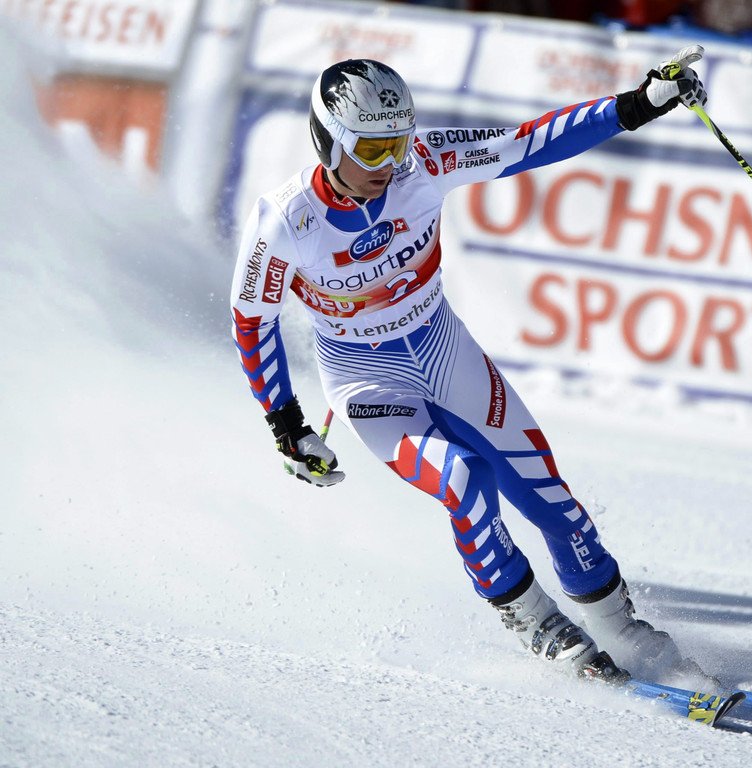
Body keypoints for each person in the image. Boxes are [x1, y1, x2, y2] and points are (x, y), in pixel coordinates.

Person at [230, 52, 709, 683]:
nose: (388, 164)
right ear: (328, 140)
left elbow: (528, 143)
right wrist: (287, 425)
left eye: (397, 144)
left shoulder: (423, 165)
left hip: (445, 351)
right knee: (463, 478)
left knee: (549, 499)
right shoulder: (285, 221)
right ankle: (535, 621)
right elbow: (251, 321)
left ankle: (621, 627)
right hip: (367, 381)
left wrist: (638, 105)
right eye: (370, 150)